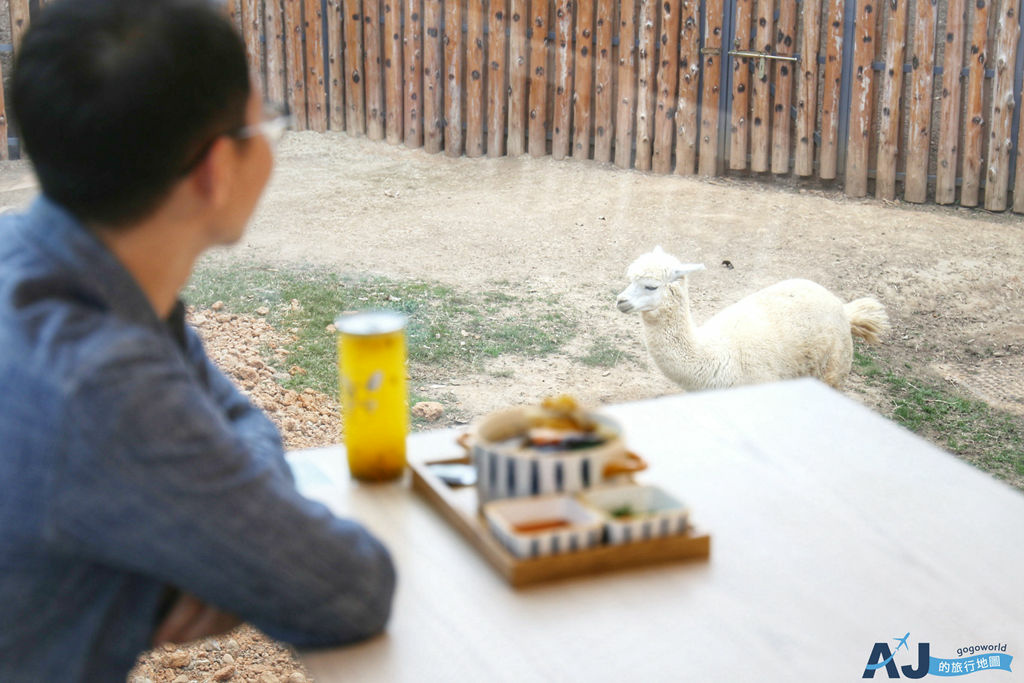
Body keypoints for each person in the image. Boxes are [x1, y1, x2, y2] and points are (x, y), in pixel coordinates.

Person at [0, 1, 396, 680]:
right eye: (262, 123)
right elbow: (351, 587)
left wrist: (230, 528)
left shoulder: (41, 265)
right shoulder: (102, 383)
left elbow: (227, 414)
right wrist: (240, 542)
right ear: (215, 169)